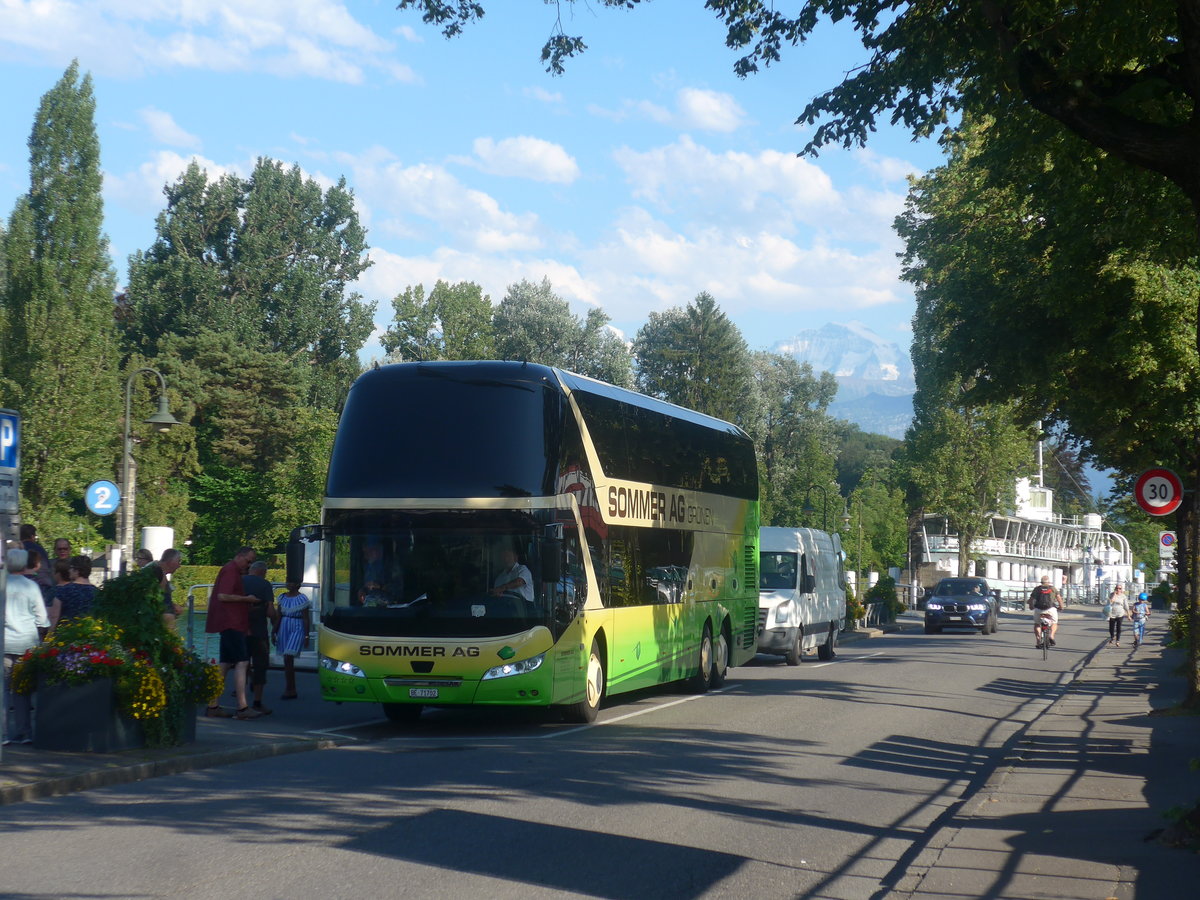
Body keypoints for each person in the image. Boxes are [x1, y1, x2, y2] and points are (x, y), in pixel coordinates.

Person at [204, 547, 262, 720]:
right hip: (232, 622)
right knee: (242, 662)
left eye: (251, 562)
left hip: (229, 622)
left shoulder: (231, 570)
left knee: (225, 663)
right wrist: (247, 599)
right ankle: (242, 707)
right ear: (239, 556)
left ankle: (213, 704)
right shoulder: (230, 570)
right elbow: (223, 595)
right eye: (248, 561)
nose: (248, 565)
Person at [4, 549, 50, 745]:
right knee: (23, 690)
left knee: (5, 690)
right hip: (27, 643)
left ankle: (4, 733)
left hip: (4, 642)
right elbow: (41, 618)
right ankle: (25, 732)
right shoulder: (31, 586)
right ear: (24, 564)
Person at [241, 559, 276, 715]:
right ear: (263, 572)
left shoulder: (239, 581)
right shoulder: (265, 584)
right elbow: (270, 612)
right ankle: (257, 701)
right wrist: (276, 623)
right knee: (261, 664)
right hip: (258, 630)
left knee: (242, 663)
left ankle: (241, 701)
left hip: (240, 629)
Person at [275, 581, 312, 700]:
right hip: (284, 626)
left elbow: (306, 619)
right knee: (287, 660)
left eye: (292, 582)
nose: (289, 584)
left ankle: (290, 688)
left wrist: (307, 636)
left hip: (297, 626)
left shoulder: (302, 599)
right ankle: (290, 688)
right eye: (287, 581)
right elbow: (278, 616)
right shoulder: (282, 597)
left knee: (288, 656)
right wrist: (273, 631)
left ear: (298, 584)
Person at [48, 555, 98, 626]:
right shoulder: (97, 593)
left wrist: (49, 634)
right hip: (91, 633)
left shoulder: (63, 591)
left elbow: (54, 616)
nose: (69, 570)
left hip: (67, 633)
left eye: (70, 568)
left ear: (76, 570)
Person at [143, 548, 183, 625]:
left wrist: (173, 605)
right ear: (171, 562)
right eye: (178, 561)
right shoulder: (156, 572)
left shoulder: (157, 570)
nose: (179, 566)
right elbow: (154, 598)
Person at [1028, 575, 1062, 649]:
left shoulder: (1037, 589)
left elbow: (1031, 599)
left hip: (1039, 609)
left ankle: (1038, 640)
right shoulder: (1053, 588)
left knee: (1037, 624)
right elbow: (1059, 598)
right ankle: (1051, 635)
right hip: (1050, 609)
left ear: (1041, 582)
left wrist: (1031, 606)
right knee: (1054, 623)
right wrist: (1061, 606)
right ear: (1049, 582)